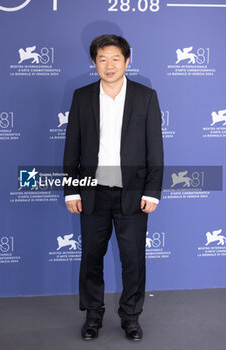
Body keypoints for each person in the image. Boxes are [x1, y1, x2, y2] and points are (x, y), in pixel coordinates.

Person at [63, 34, 163, 341]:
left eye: (115, 58)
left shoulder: (145, 96)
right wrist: (72, 189)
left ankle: (130, 317)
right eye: (102, 59)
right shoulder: (82, 96)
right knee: (91, 258)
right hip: (93, 192)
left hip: (133, 194)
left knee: (133, 259)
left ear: (127, 61)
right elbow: (72, 148)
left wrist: (152, 191)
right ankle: (93, 316)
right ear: (94, 62)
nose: (109, 65)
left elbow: (155, 150)